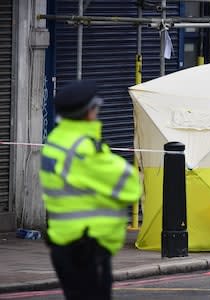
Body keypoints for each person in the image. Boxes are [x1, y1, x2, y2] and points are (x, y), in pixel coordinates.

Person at [39, 80, 142, 300]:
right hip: (86, 249)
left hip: (63, 244)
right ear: (88, 113)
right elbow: (131, 186)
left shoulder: (56, 141)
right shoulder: (83, 150)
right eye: (96, 108)